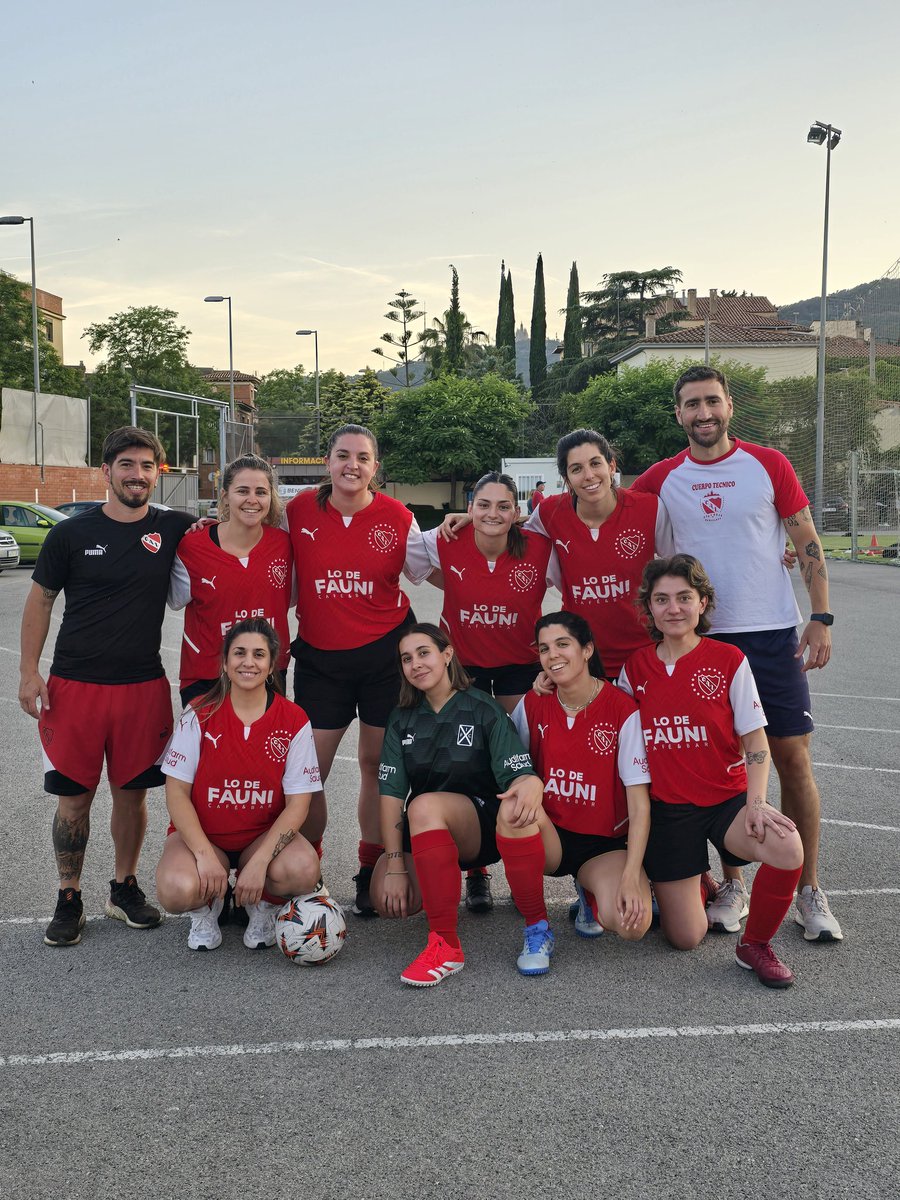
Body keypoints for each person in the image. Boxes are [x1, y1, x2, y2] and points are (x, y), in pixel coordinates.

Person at [632, 365, 842, 941]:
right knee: (716, 767)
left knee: (792, 759)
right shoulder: (661, 477)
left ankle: (808, 888)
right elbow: (598, 505)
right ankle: (734, 883)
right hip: (701, 641)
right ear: (678, 413)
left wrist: (820, 616)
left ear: (729, 406)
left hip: (770, 634)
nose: (703, 413)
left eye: (712, 401)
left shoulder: (769, 464)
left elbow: (805, 539)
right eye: (691, 404)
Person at [18, 427, 194, 946]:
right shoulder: (70, 534)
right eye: (127, 465)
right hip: (75, 687)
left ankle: (123, 887)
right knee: (74, 800)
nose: (137, 475)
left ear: (158, 473)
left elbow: (239, 524)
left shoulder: (176, 527)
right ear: (106, 471)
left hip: (142, 687)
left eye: (147, 466)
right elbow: (40, 601)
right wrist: (29, 671)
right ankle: (68, 895)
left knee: (132, 796)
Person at [620, 555, 804, 988]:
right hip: (668, 810)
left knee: (787, 847)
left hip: (726, 801)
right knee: (685, 937)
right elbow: (610, 719)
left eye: (684, 598)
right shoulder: (635, 668)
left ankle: (755, 945)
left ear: (702, 603)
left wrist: (756, 803)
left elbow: (756, 742)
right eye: (662, 599)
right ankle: (700, 881)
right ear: (649, 608)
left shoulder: (728, 659)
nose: (674, 608)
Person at [285, 424, 423, 918]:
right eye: (343, 455)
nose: (352, 465)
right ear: (327, 462)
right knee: (310, 770)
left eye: (363, 457)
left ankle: (369, 866)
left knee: (375, 764)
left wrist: (472, 532)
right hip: (321, 659)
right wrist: (202, 527)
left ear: (375, 467)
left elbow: (435, 566)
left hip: (385, 657)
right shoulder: (298, 510)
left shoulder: (399, 517)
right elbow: (250, 533)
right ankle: (308, 866)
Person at [405, 471, 552, 914]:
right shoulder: (446, 539)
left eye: (503, 506)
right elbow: (405, 555)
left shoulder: (539, 547)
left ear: (517, 512)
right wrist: (451, 568)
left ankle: (537, 866)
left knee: (528, 761)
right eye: (483, 505)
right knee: (462, 762)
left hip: (518, 666)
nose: (492, 513)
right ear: (469, 508)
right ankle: (476, 870)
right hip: (463, 668)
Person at [372, 624, 550, 986]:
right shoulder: (401, 717)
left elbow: (517, 774)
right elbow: (390, 794)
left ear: (447, 654)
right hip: (428, 827)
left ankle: (447, 945)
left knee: (425, 806)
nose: (416, 664)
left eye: (424, 653)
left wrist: (530, 782)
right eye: (407, 658)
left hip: (481, 826)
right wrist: (394, 866)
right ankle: (444, 880)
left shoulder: (482, 707)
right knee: (386, 899)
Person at [157, 618, 322, 951]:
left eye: (259, 654)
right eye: (239, 653)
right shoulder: (197, 714)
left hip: (260, 838)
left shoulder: (294, 719)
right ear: (225, 662)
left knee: (304, 869)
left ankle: (263, 904)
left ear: (272, 665)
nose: (249, 662)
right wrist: (204, 856)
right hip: (205, 837)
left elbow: (298, 804)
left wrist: (260, 862)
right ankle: (208, 907)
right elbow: (176, 793)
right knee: (175, 890)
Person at [511, 612, 652, 944]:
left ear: (587, 649)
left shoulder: (622, 709)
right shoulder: (533, 702)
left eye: (563, 644)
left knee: (632, 926)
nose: (553, 655)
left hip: (602, 845)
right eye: (544, 649)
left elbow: (639, 806)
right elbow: (508, 766)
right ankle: (536, 927)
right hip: (550, 834)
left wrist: (631, 876)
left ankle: (590, 890)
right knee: (511, 807)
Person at [168, 453, 293, 707]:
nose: (252, 500)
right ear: (225, 495)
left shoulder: (285, 544)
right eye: (242, 491)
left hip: (268, 671)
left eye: (261, 492)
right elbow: (175, 600)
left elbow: (291, 599)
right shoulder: (193, 546)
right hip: (207, 675)